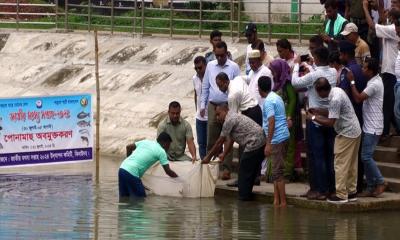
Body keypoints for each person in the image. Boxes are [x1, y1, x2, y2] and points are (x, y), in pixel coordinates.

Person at [292, 46, 337, 200]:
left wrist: (297, 64)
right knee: (328, 156)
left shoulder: (314, 75)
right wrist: (312, 66)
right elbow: (319, 73)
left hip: (315, 120)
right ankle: (329, 189)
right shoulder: (333, 72)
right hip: (330, 118)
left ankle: (320, 190)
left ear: (317, 57)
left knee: (316, 156)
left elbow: (295, 83)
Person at [308, 78, 362, 203]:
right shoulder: (337, 91)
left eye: (317, 92)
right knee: (351, 164)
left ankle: (341, 195)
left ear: (321, 91)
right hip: (355, 131)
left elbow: (331, 122)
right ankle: (351, 192)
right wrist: (318, 110)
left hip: (346, 133)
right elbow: (333, 112)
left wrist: (314, 117)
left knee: (340, 163)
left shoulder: (334, 99)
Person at [202, 104, 266, 201]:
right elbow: (230, 140)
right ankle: (247, 195)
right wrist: (224, 154)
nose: (217, 118)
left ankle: (243, 199)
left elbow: (220, 141)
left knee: (244, 170)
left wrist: (208, 157)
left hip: (255, 142)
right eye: (216, 115)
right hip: (260, 141)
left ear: (225, 110)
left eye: (218, 114)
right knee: (248, 170)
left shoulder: (229, 120)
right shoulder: (232, 116)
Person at [347, 58, 388, 197]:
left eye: (364, 68)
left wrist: (352, 81)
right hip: (369, 125)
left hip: (373, 126)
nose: (362, 69)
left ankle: (381, 181)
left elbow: (358, 98)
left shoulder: (374, 84)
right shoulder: (373, 80)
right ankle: (371, 187)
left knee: (366, 157)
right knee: (365, 156)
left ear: (370, 70)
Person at [200, 41, 241, 180]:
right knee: (212, 136)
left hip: (228, 105)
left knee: (228, 136)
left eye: (222, 55)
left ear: (226, 53)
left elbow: (238, 86)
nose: (219, 58)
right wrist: (202, 105)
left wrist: (234, 108)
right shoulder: (210, 65)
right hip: (212, 105)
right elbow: (205, 86)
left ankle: (226, 169)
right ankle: (210, 167)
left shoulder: (234, 67)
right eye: (217, 56)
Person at [364, 5, 400, 139]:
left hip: (390, 72)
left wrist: (365, 8)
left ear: (392, 18)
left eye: (388, 15)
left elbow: (372, 26)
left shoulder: (392, 29)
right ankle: (394, 128)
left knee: (388, 103)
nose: (385, 17)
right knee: (391, 103)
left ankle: (385, 132)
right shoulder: (392, 28)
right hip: (391, 70)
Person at [258, 76, 290, 207]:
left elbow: (271, 121)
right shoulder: (276, 97)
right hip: (281, 136)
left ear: (259, 89)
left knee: (278, 173)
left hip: (277, 139)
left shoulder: (269, 101)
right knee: (276, 172)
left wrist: (268, 143)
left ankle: (283, 203)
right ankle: (276, 201)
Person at [269, 59, 303, 181]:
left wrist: (288, 116)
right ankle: (274, 173)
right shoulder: (277, 82)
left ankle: (286, 173)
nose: (272, 73)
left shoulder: (287, 83)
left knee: (289, 147)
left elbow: (293, 100)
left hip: (288, 119)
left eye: (274, 71)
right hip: (279, 118)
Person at [119, 132, 178, 199]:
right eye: (169, 145)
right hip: (132, 173)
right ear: (165, 143)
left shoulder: (146, 142)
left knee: (124, 198)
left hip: (122, 169)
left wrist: (129, 162)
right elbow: (168, 171)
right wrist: (178, 179)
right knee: (141, 200)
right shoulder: (161, 152)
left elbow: (128, 147)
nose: (169, 147)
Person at [192, 56, 208, 160]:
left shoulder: (210, 77)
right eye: (196, 68)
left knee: (211, 143)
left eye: (200, 68)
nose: (198, 70)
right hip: (200, 117)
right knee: (201, 143)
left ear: (205, 66)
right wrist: (196, 109)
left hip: (210, 116)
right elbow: (196, 94)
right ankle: (203, 163)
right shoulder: (194, 78)